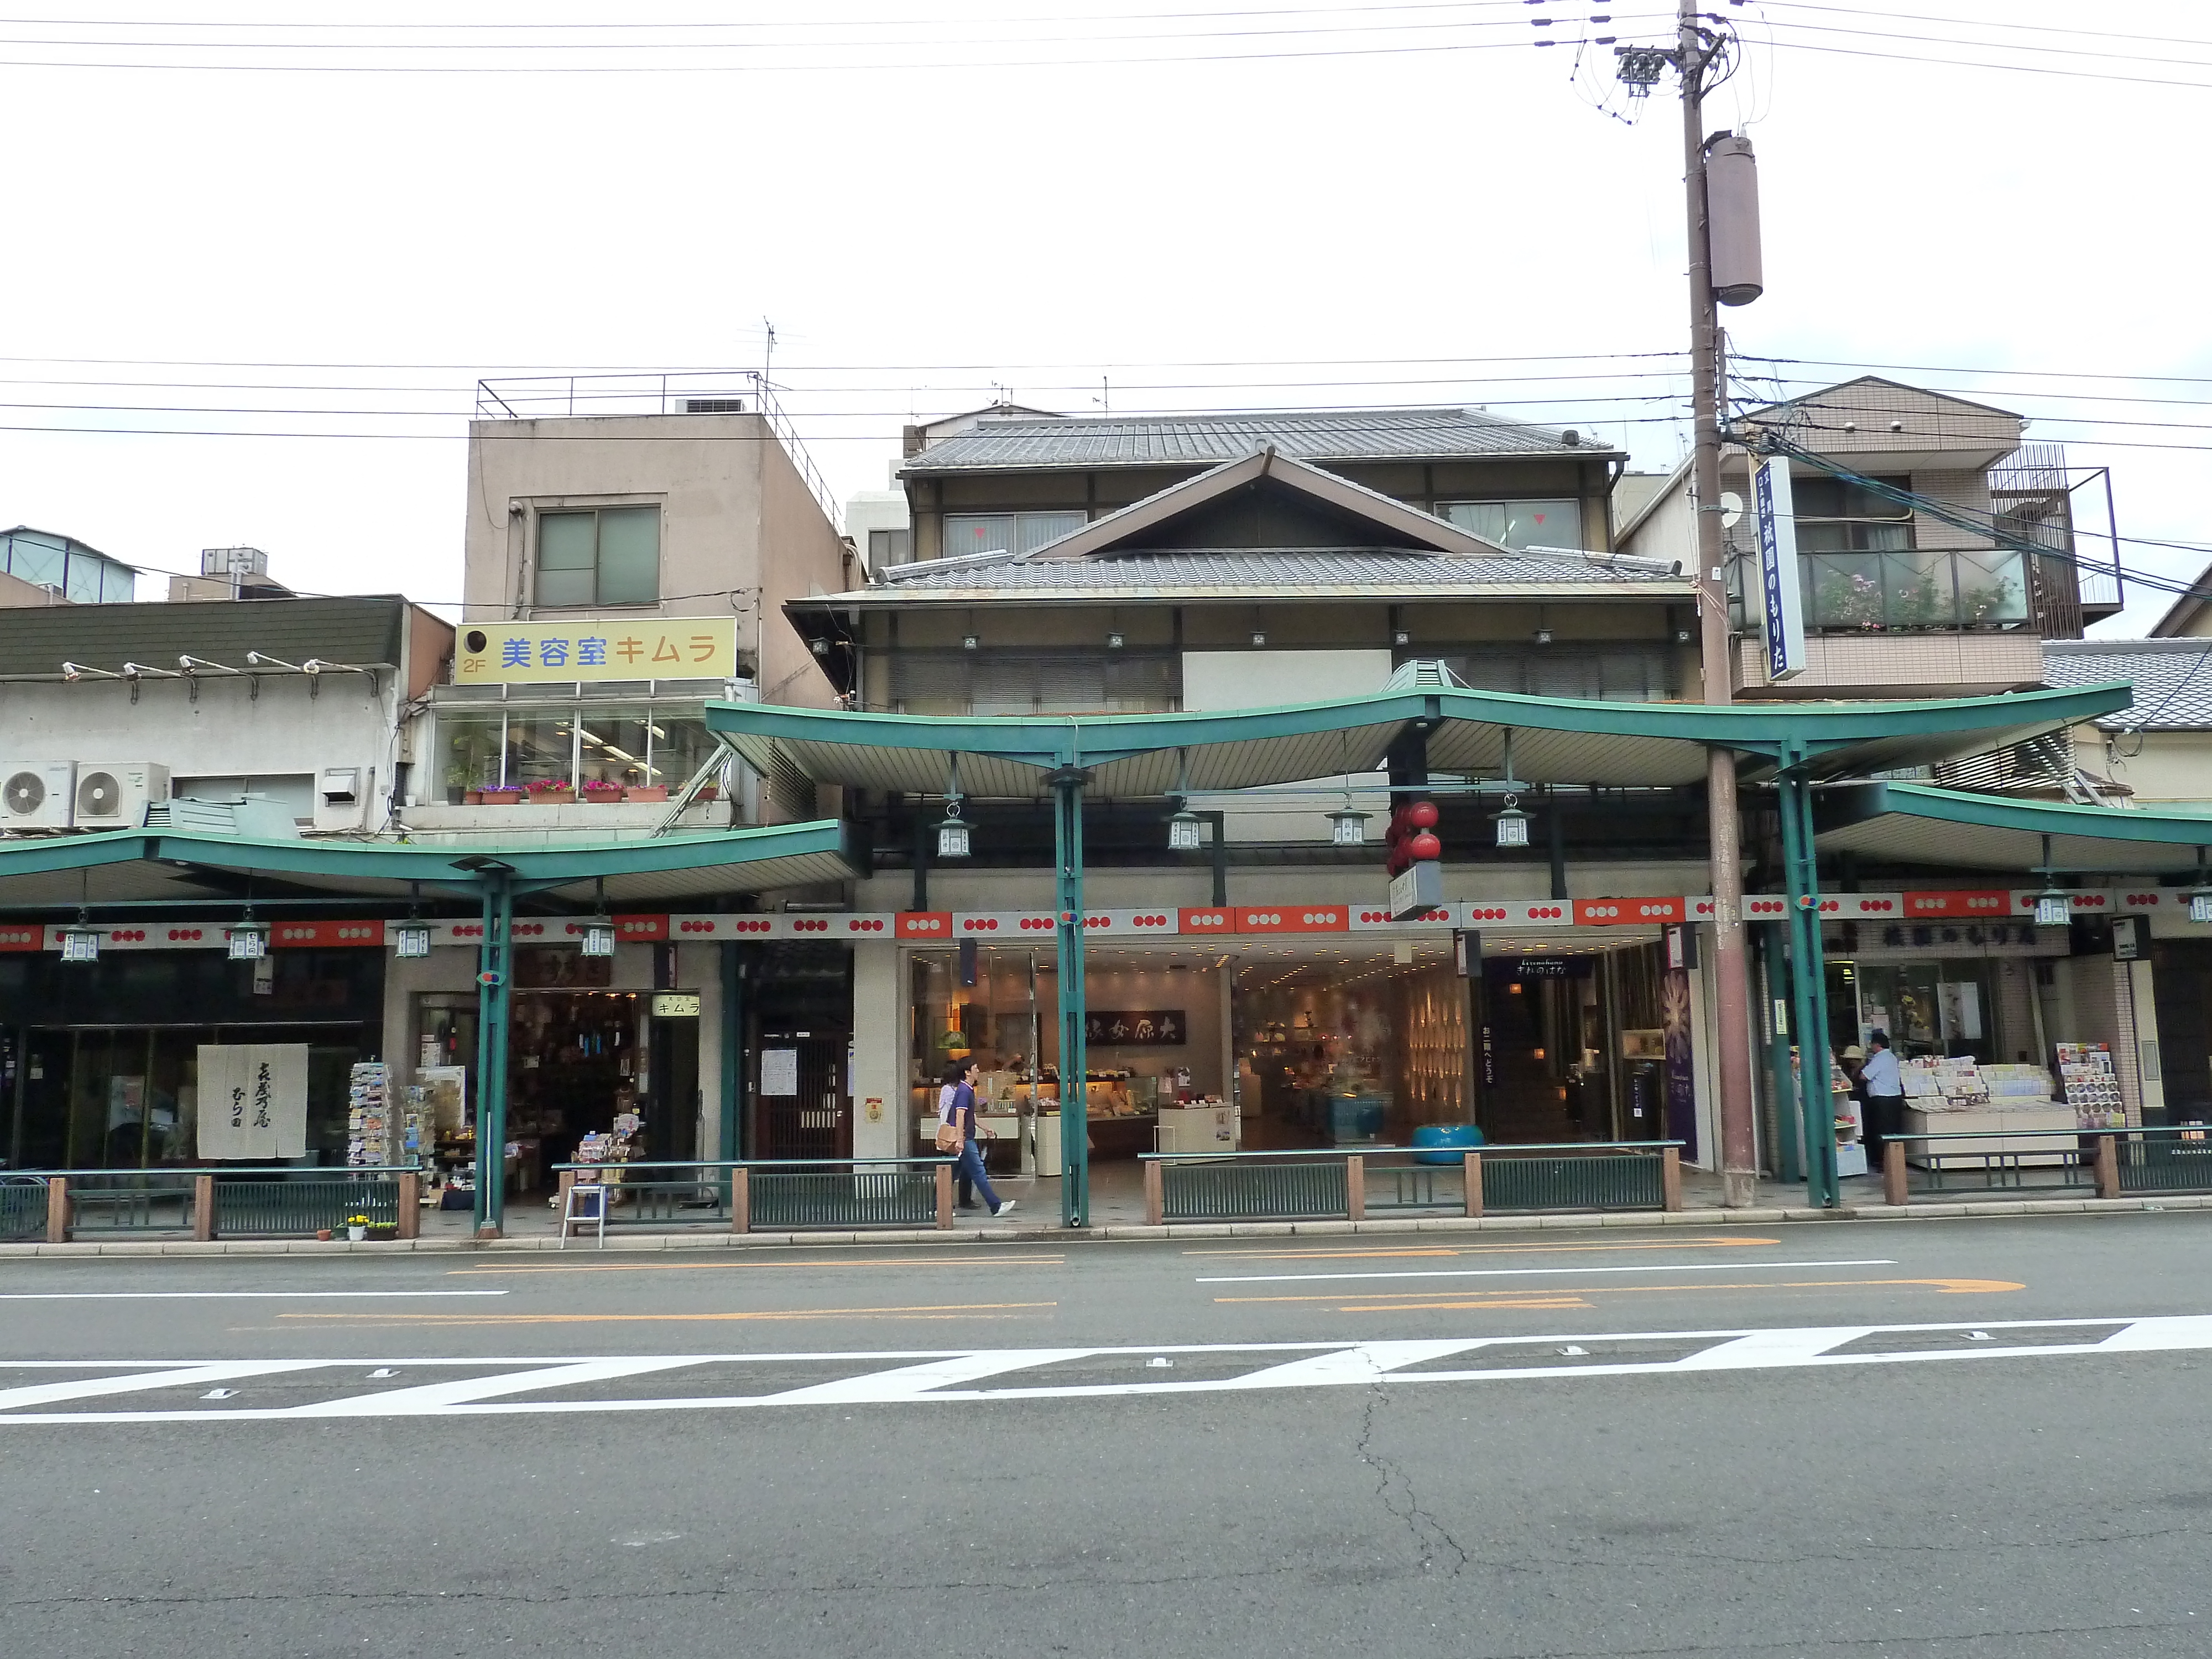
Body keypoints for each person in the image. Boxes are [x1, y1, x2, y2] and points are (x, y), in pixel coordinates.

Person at [938, 1060, 1015, 1220]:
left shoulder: (966, 1089)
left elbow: (969, 1115)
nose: (978, 1070)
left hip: (965, 1138)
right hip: (966, 1140)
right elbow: (960, 1115)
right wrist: (960, 1139)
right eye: (976, 1068)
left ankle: (936, 1208)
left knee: (951, 1174)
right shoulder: (964, 1091)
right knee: (979, 1172)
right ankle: (996, 1206)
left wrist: (985, 1127)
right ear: (967, 1072)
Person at [1860, 1030, 1905, 1172]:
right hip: (1895, 1098)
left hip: (1882, 1099)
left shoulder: (1879, 1059)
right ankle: (1895, 1160)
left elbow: (1864, 1076)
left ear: (1877, 1045)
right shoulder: (1892, 1057)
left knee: (1881, 1131)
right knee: (1893, 1131)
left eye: (1872, 1044)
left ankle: (1884, 1162)